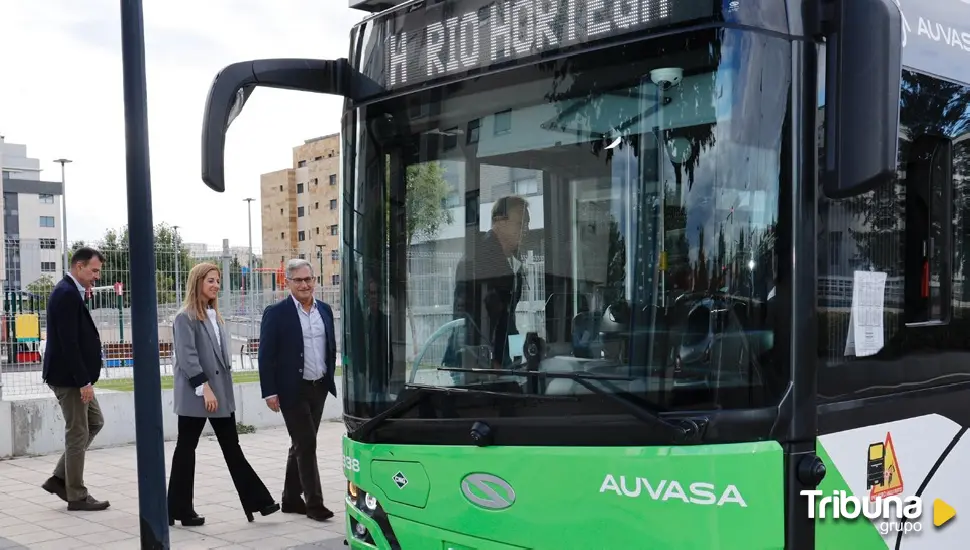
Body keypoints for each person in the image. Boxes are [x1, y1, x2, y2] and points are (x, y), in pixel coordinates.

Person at [168, 262, 279, 526]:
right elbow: (187, 358)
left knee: (232, 448)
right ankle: (178, 509)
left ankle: (258, 501)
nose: (216, 285)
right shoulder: (185, 317)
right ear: (197, 282)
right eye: (210, 281)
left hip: (220, 396)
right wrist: (204, 388)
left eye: (217, 281)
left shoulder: (215, 316)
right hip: (199, 395)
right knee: (186, 449)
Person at [258, 258, 337, 522]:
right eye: (299, 280)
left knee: (301, 444)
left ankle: (290, 499)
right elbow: (266, 355)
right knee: (307, 443)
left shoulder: (324, 310)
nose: (305, 285)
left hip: (319, 387)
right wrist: (269, 391)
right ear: (287, 282)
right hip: (292, 390)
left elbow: (330, 347)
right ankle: (314, 504)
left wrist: (329, 377)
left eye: (308, 279)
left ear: (315, 280)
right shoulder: (277, 313)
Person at [41, 247, 109, 511]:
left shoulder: (71, 292)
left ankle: (60, 478)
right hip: (70, 379)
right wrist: (83, 381)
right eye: (94, 271)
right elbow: (69, 344)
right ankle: (77, 495)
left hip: (75, 377)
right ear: (78, 267)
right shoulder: (66, 294)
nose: (97, 276)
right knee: (78, 431)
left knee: (94, 422)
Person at [446, 195, 530, 371]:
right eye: (521, 223)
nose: (526, 230)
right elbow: (467, 320)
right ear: (499, 222)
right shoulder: (478, 260)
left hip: (495, 365)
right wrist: (488, 363)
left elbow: (508, 320)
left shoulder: (513, 263)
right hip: (472, 368)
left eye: (527, 224)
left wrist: (518, 356)